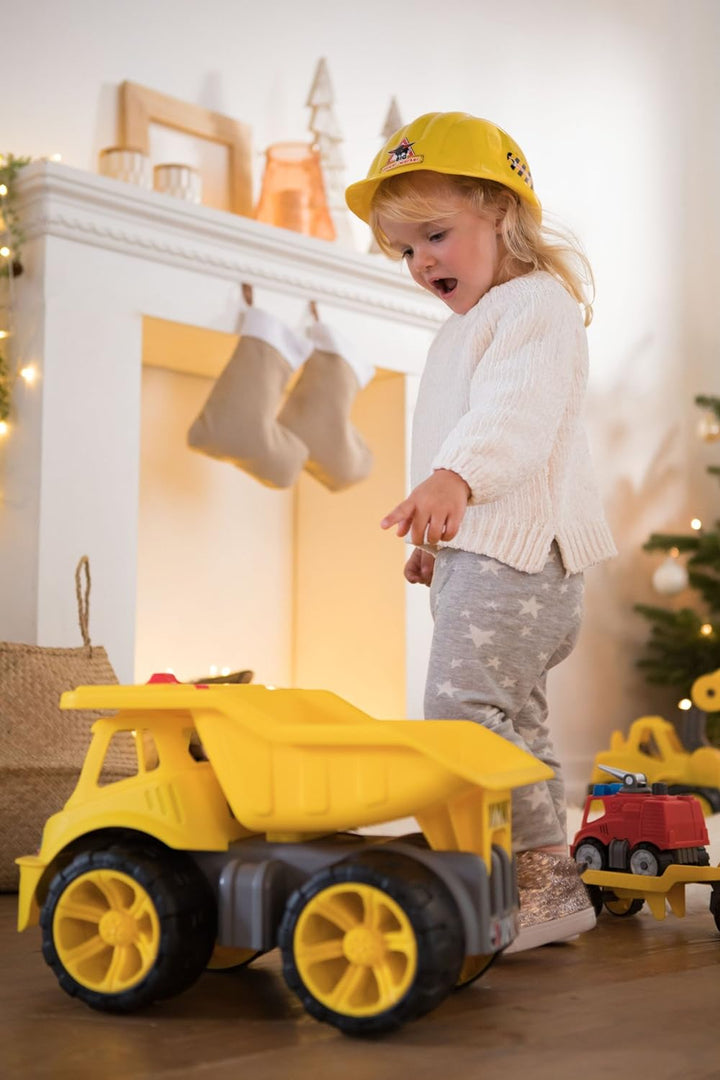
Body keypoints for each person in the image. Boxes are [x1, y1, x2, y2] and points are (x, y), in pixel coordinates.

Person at [345, 112, 616, 953]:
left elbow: (513, 419)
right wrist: (436, 533)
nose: (423, 261)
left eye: (435, 235)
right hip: (486, 558)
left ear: (501, 212)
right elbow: (451, 439)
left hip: (524, 566)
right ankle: (546, 887)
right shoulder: (462, 328)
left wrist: (456, 480)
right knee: (514, 722)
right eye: (405, 250)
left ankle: (537, 879)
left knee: (460, 711)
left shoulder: (536, 306)